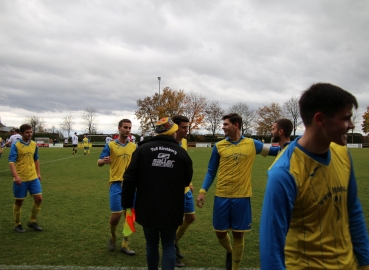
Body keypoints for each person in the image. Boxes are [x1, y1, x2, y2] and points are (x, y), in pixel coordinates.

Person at [259, 83, 369, 269]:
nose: (351, 125)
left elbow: (353, 211)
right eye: (346, 118)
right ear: (320, 119)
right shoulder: (284, 173)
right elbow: (271, 248)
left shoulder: (342, 153)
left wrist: (365, 263)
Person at [196, 113, 279, 270]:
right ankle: (230, 251)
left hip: (242, 196)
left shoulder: (252, 144)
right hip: (221, 195)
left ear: (236, 125)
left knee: (238, 234)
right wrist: (202, 191)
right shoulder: (219, 146)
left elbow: (274, 151)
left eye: (226, 124)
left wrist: (291, 144)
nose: (223, 127)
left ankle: (234, 267)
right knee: (220, 233)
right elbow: (211, 170)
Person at [122, 117, 193, 270]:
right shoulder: (181, 153)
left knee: (151, 244)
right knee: (168, 245)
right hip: (172, 207)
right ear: (172, 132)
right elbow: (187, 181)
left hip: (148, 206)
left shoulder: (141, 149)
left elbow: (128, 179)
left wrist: (127, 205)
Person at [97, 119, 137, 255]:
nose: (127, 130)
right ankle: (113, 235)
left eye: (129, 128)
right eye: (125, 127)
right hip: (116, 184)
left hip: (131, 185)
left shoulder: (133, 147)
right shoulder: (111, 145)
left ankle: (125, 244)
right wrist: (104, 160)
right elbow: (99, 162)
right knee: (116, 216)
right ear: (119, 128)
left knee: (130, 216)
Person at [8, 124, 43, 233]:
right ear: (22, 133)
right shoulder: (16, 145)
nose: (29, 134)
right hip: (21, 178)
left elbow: (36, 159)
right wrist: (16, 176)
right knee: (19, 202)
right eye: (27, 132)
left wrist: (38, 173)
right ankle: (17, 224)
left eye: (30, 132)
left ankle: (32, 221)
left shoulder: (33, 144)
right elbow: (11, 162)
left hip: (33, 177)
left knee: (39, 199)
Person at [171, 115, 194, 267]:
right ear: (176, 128)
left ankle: (174, 242)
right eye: (184, 127)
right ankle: (170, 250)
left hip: (186, 188)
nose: (187, 130)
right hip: (173, 190)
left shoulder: (184, 142)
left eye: (187, 127)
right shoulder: (168, 143)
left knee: (190, 218)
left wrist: (189, 182)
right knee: (174, 221)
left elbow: (184, 165)